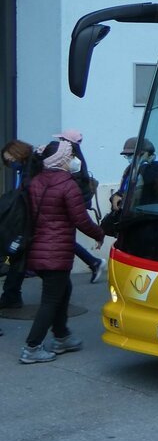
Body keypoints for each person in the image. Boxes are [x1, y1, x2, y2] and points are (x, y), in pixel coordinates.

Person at [19, 139, 107, 364]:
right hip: (56, 252)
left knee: (62, 290)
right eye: (70, 156)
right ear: (62, 160)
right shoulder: (67, 185)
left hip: (38, 250)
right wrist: (99, 234)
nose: (74, 160)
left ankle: (62, 336)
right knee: (51, 299)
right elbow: (80, 219)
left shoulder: (37, 181)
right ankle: (32, 346)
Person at [49, 131, 106, 284]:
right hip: (72, 203)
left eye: (62, 139)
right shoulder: (73, 159)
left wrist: (97, 234)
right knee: (66, 240)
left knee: (66, 240)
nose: (59, 141)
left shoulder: (73, 162)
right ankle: (94, 262)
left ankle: (94, 262)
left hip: (72, 204)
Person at [1, 140, 34, 320]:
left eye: (10, 158)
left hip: (30, 220)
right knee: (19, 259)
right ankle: (11, 295)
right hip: (26, 219)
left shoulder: (31, 168)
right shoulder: (25, 168)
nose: (10, 163)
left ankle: (11, 295)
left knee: (25, 259)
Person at [117, 137, 158, 205]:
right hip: (127, 211)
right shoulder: (130, 169)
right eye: (127, 156)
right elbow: (123, 189)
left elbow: (154, 186)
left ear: (146, 154)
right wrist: (115, 196)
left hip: (146, 211)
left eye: (132, 155)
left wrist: (144, 163)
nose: (129, 159)